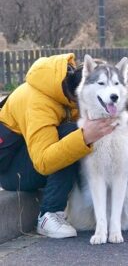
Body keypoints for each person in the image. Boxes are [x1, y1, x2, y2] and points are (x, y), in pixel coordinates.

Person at [0, 54, 117, 238]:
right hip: (12, 172)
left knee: (79, 134)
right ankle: (49, 214)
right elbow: (44, 162)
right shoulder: (38, 101)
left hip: (32, 154)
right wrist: (83, 137)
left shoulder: (68, 93)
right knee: (73, 133)